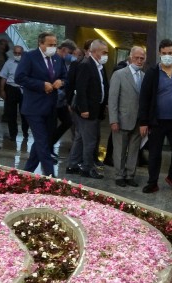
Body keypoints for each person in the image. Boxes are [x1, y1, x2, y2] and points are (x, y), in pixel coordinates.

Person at [138, 39, 172, 193]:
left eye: (170, 53)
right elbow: (144, 98)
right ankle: (152, 182)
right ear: (160, 53)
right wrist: (143, 122)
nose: (167, 56)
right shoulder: (152, 73)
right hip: (157, 121)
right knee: (154, 153)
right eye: (164, 53)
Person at [15, 32, 66, 177]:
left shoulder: (57, 59)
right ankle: (50, 176)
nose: (53, 47)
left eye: (55, 44)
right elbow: (20, 77)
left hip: (51, 106)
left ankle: (27, 173)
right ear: (41, 44)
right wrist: (41, 85)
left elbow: (65, 77)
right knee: (42, 141)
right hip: (34, 107)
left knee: (43, 141)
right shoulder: (30, 57)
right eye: (50, 45)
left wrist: (61, 82)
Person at [66, 39, 109, 179]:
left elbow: (102, 87)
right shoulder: (86, 65)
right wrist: (84, 109)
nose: (106, 55)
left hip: (95, 109)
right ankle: (87, 168)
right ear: (95, 52)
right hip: (87, 110)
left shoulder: (99, 67)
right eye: (104, 52)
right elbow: (81, 88)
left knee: (79, 137)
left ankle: (72, 165)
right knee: (90, 140)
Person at [108, 46, 146, 188]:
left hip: (137, 121)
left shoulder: (144, 76)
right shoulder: (119, 74)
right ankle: (119, 175)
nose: (139, 60)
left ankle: (130, 175)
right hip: (121, 120)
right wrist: (113, 120)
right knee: (120, 150)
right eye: (137, 57)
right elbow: (112, 99)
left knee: (135, 150)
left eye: (142, 58)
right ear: (130, 57)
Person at [50, 39, 77, 156]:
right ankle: (47, 148)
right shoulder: (53, 59)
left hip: (61, 100)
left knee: (67, 121)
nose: (71, 56)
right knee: (51, 125)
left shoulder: (62, 61)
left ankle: (49, 144)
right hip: (53, 99)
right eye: (70, 53)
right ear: (64, 50)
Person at [0, 45, 28, 140]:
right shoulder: (9, 63)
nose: (17, 55)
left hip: (24, 90)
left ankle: (25, 132)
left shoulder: (28, 63)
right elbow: (3, 77)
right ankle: (13, 134)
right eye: (16, 53)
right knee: (11, 114)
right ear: (13, 53)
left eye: (19, 53)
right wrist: (2, 90)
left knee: (25, 113)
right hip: (11, 89)